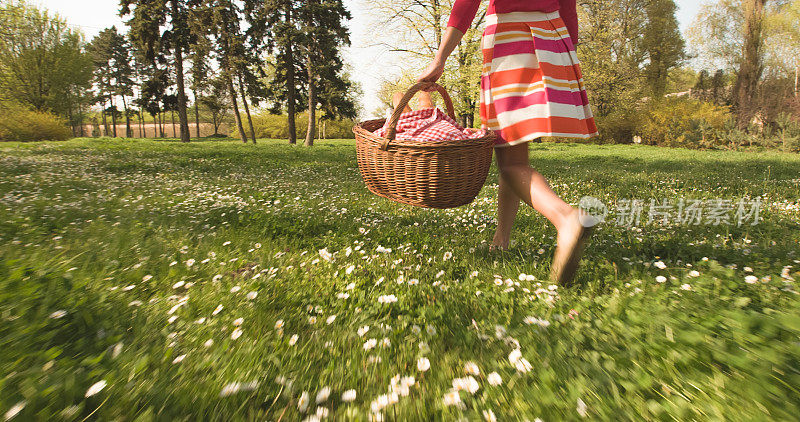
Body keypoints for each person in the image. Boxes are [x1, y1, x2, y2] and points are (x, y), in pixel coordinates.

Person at [417, 0, 599, 284]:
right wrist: (566, 54)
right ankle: (501, 241)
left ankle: (566, 218)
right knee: (512, 149)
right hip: (552, 39)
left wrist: (440, 58)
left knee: (510, 162)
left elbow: (466, 5)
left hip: (510, 41)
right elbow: (568, 7)